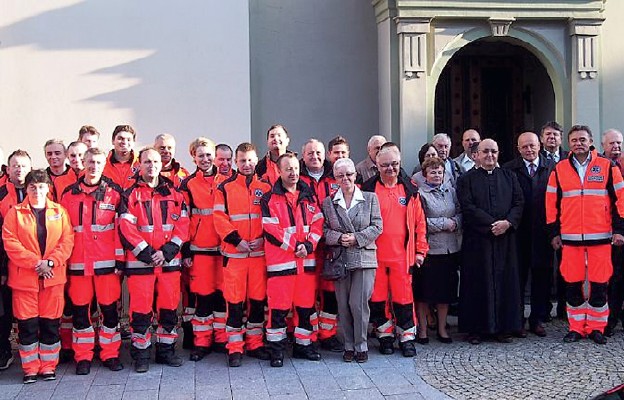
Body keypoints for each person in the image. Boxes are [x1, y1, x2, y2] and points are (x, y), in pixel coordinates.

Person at [546, 125, 624, 345]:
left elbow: (621, 200)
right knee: (572, 283)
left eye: (582, 139)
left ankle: (597, 328)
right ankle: (576, 327)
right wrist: (553, 233)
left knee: (600, 283)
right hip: (570, 239)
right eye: (574, 140)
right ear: (568, 143)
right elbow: (551, 203)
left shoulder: (607, 166)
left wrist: (620, 230)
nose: (578, 143)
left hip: (601, 238)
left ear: (590, 142)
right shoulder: (559, 169)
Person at [118, 147, 189, 372]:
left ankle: (166, 352)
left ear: (161, 164)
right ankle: (141, 354)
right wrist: (148, 252)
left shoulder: (175, 193)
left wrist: (167, 251)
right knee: (140, 310)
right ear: (139, 165)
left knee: (168, 308)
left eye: (155, 161)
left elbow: (183, 224)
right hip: (141, 264)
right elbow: (126, 227)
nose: (151, 165)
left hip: (169, 263)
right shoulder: (130, 194)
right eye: (147, 161)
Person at [2, 169, 74, 383]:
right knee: (28, 327)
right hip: (25, 281)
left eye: (41, 186)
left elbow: (67, 241)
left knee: (51, 325)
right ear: (27, 188)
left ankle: (49, 366)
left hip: (53, 279)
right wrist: (37, 263)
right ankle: (30, 368)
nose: (37, 190)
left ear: (48, 188)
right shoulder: (14, 213)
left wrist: (50, 262)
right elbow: (10, 243)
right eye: (32, 186)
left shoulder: (60, 212)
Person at [61, 148, 125, 375]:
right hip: (78, 266)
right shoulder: (68, 194)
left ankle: (110, 354)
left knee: (109, 312)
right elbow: (64, 231)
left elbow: (121, 229)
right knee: (80, 314)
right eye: (89, 162)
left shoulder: (114, 193)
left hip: (107, 266)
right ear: (82, 163)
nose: (93, 166)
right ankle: (83, 356)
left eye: (98, 162)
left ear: (103, 164)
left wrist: (120, 261)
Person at [362, 143, 428, 357]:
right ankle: (385, 337)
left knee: (404, 300)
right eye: (385, 165)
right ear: (377, 165)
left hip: (403, 257)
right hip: (375, 258)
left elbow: (420, 224)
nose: (390, 169)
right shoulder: (367, 190)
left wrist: (420, 252)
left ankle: (407, 338)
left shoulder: (410, 190)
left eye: (394, 164)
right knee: (378, 300)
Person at [457, 139, 524, 344]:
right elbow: (467, 207)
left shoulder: (509, 176)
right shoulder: (466, 179)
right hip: (479, 241)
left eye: (494, 151)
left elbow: (519, 202)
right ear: (476, 154)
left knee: (506, 283)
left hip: (505, 240)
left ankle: (504, 328)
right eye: (485, 151)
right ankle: (476, 329)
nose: (490, 155)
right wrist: (492, 224)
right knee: (478, 283)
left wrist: (508, 223)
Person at [261, 153, 324, 367]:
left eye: (296, 168)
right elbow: (271, 230)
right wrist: (296, 246)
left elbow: (318, 224)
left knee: (306, 309)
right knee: (278, 311)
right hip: (281, 266)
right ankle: (276, 351)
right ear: (278, 171)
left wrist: (308, 245)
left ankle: (303, 347)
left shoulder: (309, 196)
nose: (293, 172)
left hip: (305, 264)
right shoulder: (268, 199)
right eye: (288, 169)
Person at [213, 142, 272, 367]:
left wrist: (264, 238)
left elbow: (272, 218)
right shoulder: (225, 187)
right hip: (235, 257)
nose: (246, 164)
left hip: (258, 256)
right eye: (242, 161)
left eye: (250, 160)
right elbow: (219, 218)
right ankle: (235, 348)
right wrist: (236, 240)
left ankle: (255, 344)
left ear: (256, 160)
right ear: (236, 163)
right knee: (235, 304)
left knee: (257, 303)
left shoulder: (266, 188)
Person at [322, 158, 382, 363]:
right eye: (340, 175)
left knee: (358, 304)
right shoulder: (328, 202)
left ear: (355, 175)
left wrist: (357, 238)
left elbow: (377, 226)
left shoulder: (370, 198)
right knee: (343, 305)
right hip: (340, 259)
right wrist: (339, 238)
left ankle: (361, 345)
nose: (345, 178)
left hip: (364, 258)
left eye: (349, 174)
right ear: (335, 178)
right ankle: (348, 345)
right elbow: (323, 230)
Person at [178, 138, 228, 360]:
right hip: (200, 250)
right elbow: (183, 219)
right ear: (193, 157)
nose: (205, 159)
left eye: (209, 155)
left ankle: (221, 339)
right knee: (203, 298)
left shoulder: (227, 180)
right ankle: (201, 342)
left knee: (222, 297)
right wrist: (186, 251)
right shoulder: (187, 184)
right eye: (201, 155)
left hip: (225, 249)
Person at [503, 132, 555, 337]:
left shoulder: (551, 168)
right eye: (524, 147)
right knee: (517, 278)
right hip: (518, 233)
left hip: (544, 233)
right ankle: (516, 320)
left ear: (539, 145)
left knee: (542, 278)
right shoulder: (509, 169)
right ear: (518, 148)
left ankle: (537, 319)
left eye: (532, 145)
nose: (529, 149)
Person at [299, 139, 342, 352]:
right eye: (310, 153)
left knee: (330, 292)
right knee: (307, 292)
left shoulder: (335, 177)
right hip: (305, 247)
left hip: (330, 246)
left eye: (317, 152)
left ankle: (328, 334)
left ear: (324, 153)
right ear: (302, 155)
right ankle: (309, 334)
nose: (314, 157)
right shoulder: (297, 178)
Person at [414, 157, 461, 344]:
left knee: (445, 293)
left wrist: (456, 222)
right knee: (424, 293)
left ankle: (442, 329)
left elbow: (460, 212)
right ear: (425, 175)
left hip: (449, 250)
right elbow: (420, 220)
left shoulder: (452, 191)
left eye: (439, 172)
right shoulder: (420, 193)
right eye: (432, 172)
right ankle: (423, 330)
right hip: (429, 251)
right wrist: (443, 223)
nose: (436, 175)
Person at [0, 150, 32, 371]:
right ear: (8, 169)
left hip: (33, 266)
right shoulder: (1, 194)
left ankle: (32, 351)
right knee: (4, 312)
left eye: (23, 166)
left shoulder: (40, 192)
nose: (19, 169)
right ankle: (4, 351)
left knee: (29, 313)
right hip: (6, 263)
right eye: (15, 166)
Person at [602, 129, 624, 336]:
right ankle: (609, 319)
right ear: (603, 146)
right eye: (612, 144)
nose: (616, 147)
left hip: (622, 229)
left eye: (618, 143)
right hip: (606, 231)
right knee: (612, 278)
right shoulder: (600, 168)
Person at [103, 125, 140, 190]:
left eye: (128, 139)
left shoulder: (141, 164)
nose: (124, 142)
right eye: (120, 138)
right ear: (113, 141)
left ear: (133, 143)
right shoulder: (102, 165)